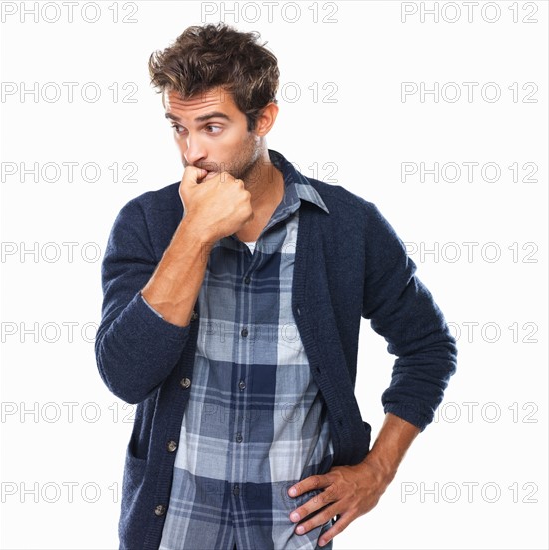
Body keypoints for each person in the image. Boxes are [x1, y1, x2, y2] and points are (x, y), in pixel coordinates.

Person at [95, 22, 457, 550]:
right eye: (178, 127)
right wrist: (193, 234)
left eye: (212, 127)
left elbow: (428, 345)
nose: (191, 151)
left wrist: (377, 471)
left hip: (292, 533)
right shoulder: (148, 223)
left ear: (263, 119)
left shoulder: (345, 226)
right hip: (173, 530)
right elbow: (125, 375)